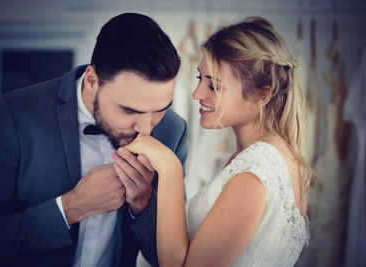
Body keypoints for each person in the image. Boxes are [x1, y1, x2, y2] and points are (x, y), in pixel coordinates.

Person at [0, 13, 187, 267]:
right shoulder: (17, 113)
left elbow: (169, 261)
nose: (147, 130)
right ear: (93, 81)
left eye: (160, 109)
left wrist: (142, 204)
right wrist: (70, 208)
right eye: (130, 111)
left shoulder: (173, 131)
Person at [124, 17, 311, 266]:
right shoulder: (271, 156)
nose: (197, 94)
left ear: (262, 94)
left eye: (215, 86)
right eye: (200, 78)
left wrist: (169, 167)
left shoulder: (256, 171)